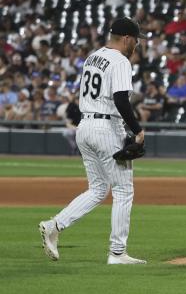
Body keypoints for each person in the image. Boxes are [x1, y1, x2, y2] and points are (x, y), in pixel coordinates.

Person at [38, 17, 147, 264]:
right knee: (123, 190)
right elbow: (121, 99)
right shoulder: (120, 60)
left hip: (85, 126)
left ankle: (54, 225)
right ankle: (117, 253)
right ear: (127, 38)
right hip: (106, 127)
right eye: (136, 40)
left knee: (98, 189)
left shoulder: (93, 56)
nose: (137, 44)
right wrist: (137, 130)